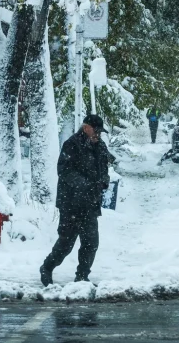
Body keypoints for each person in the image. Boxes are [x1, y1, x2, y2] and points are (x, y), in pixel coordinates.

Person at [40, 114, 110, 286]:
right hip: (71, 203)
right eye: (96, 131)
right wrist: (84, 184)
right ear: (86, 128)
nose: (98, 135)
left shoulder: (100, 146)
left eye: (100, 132)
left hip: (91, 203)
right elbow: (64, 171)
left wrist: (104, 180)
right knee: (66, 243)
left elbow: (104, 167)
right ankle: (47, 267)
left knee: (91, 242)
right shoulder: (72, 145)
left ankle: (82, 276)